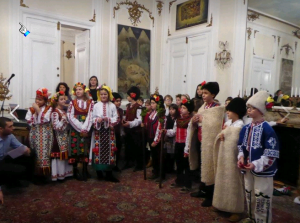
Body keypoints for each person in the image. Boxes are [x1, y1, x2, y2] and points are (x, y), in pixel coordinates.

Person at [238, 91, 279, 223]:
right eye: (248, 107)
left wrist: (256, 164)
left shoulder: (268, 129)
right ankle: (251, 217)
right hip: (248, 168)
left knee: (262, 196)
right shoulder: (245, 128)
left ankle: (261, 221)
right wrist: (241, 157)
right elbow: (241, 146)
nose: (249, 109)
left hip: (263, 170)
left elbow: (271, 153)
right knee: (249, 193)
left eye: (252, 107)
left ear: (261, 110)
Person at [187, 82, 224, 207]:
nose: (203, 95)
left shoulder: (217, 108)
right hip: (200, 140)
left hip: (209, 142)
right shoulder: (203, 107)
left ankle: (210, 195)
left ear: (213, 94)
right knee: (202, 166)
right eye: (202, 93)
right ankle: (202, 189)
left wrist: (204, 121)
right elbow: (197, 121)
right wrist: (194, 120)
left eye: (206, 93)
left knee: (209, 167)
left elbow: (216, 126)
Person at [213, 98, 247, 222]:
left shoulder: (240, 126)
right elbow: (222, 134)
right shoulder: (228, 124)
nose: (227, 112)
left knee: (234, 183)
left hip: (233, 158)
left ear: (237, 111)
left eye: (230, 110)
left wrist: (226, 136)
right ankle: (222, 204)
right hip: (224, 157)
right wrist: (221, 135)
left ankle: (235, 209)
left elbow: (237, 141)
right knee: (223, 179)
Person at [90, 84, 119, 182]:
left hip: (109, 132)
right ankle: (99, 172)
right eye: (101, 94)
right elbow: (92, 118)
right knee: (98, 150)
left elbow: (116, 118)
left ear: (109, 94)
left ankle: (109, 173)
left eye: (105, 94)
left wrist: (108, 119)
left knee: (110, 151)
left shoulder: (112, 105)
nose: (103, 96)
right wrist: (97, 120)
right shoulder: (96, 105)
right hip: (99, 132)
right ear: (99, 95)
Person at [0, 117, 33, 204]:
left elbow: (20, 146)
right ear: (1, 129)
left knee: (31, 152)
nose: (13, 128)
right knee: (18, 169)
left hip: (5, 158)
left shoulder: (10, 135)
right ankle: (9, 182)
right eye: (10, 127)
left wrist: (26, 150)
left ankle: (26, 180)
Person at [25, 88, 53, 183]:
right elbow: (28, 119)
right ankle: (35, 174)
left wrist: (38, 110)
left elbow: (45, 119)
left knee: (44, 152)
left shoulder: (48, 109)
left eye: (40, 100)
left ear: (45, 101)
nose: (37, 101)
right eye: (37, 99)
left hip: (45, 133)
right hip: (35, 133)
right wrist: (34, 117)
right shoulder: (31, 109)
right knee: (35, 151)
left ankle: (44, 174)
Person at [67, 82, 94, 181]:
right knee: (76, 148)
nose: (78, 91)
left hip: (87, 127)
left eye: (80, 89)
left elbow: (90, 116)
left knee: (85, 148)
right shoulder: (72, 103)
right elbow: (70, 116)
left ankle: (85, 170)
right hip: (76, 128)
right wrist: (80, 128)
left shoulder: (90, 102)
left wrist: (85, 128)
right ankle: (76, 171)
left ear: (84, 91)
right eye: (76, 90)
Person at [167, 99, 194, 193]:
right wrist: (166, 131)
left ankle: (187, 184)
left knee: (186, 165)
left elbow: (189, 136)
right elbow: (174, 132)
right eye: (181, 107)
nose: (181, 109)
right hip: (178, 144)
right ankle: (179, 180)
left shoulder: (190, 121)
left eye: (184, 108)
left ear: (189, 110)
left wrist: (187, 149)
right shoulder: (178, 119)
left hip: (185, 145)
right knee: (178, 163)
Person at [50, 91, 73, 181]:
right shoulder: (55, 112)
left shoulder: (63, 111)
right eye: (61, 99)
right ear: (56, 101)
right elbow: (56, 127)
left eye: (65, 99)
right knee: (58, 155)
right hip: (58, 137)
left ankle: (66, 173)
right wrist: (63, 119)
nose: (64, 101)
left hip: (64, 136)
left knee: (65, 154)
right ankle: (58, 175)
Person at [122, 86, 143, 171]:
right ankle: (129, 162)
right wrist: (124, 119)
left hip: (135, 131)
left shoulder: (138, 107)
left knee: (137, 148)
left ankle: (139, 165)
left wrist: (130, 123)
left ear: (133, 96)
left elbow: (139, 120)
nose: (127, 97)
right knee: (128, 147)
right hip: (128, 131)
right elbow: (128, 115)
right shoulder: (128, 106)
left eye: (128, 96)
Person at [148, 92, 166, 180]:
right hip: (151, 137)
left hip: (158, 140)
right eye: (151, 103)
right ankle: (155, 171)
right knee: (154, 156)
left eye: (153, 103)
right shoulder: (152, 113)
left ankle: (161, 174)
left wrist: (156, 141)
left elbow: (160, 129)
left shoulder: (161, 115)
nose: (151, 105)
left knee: (159, 157)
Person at [164, 104, 180, 173]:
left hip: (174, 137)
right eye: (170, 109)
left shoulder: (177, 118)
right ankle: (168, 168)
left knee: (173, 154)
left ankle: (173, 168)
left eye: (173, 109)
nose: (171, 111)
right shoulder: (167, 118)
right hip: (167, 136)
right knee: (167, 153)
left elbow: (175, 130)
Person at [112, 92, 124, 171]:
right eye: (117, 101)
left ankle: (116, 165)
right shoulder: (110, 109)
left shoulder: (121, 110)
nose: (119, 103)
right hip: (111, 132)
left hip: (118, 132)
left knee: (118, 148)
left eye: (120, 101)